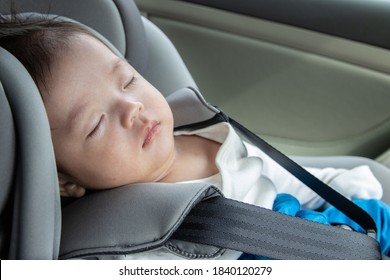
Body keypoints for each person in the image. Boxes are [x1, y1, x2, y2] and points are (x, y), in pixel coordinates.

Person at [1, 15, 389, 259]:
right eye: (96, 124)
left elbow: (289, 178)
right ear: (65, 181)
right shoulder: (122, 243)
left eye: (129, 80)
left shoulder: (208, 133)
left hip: (331, 230)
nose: (132, 107)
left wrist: (348, 195)